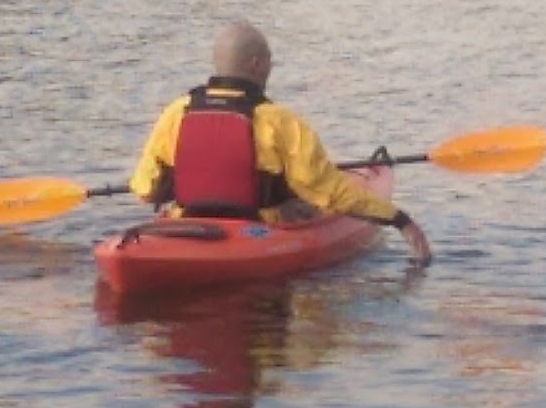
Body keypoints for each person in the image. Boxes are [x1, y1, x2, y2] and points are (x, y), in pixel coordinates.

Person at [127, 21, 433, 264]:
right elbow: (330, 192)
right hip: (258, 232)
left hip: (186, 227)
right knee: (305, 203)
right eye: (270, 61)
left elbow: (144, 189)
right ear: (257, 64)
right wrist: (399, 219)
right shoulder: (281, 122)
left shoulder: (176, 112)